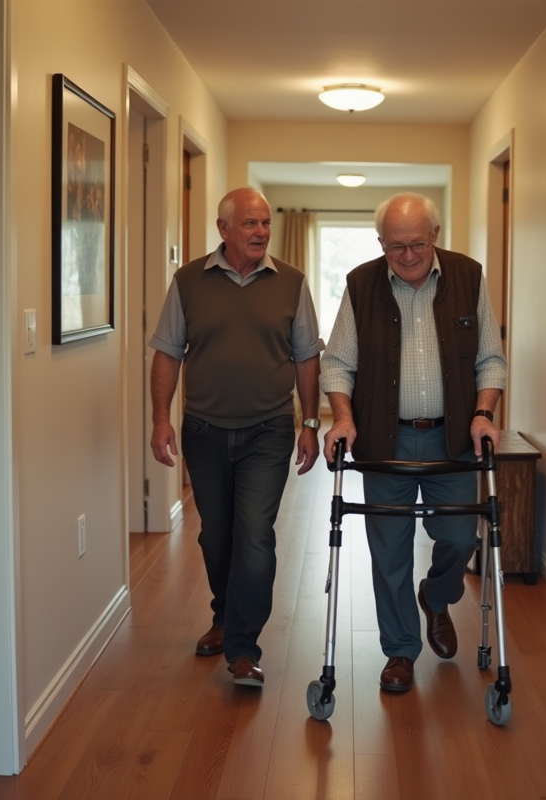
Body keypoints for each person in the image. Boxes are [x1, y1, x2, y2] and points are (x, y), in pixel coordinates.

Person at [320, 192, 507, 692]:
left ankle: (436, 596)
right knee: (389, 552)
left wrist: (484, 413)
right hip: (385, 441)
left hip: (452, 439)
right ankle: (400, 651)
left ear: (436, 237)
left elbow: (490, 358)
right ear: (381, 242)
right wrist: (342, 418)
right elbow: (338, 362)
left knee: (460, 537)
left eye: (416, 244)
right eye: (395, 246)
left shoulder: (467, 278)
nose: (407, 256)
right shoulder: (361, 284)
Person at [149, 187, 323, 688]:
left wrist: (310, 423)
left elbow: (307, 356)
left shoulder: (291, 282)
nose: (262, 232)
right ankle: (224, 617)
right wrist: (161, 420)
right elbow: (167, 352)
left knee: (254, 536)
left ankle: (243, 649)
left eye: (266, 223)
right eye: (250, 223)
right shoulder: (188, 282)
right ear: (223, 228)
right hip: (203, 429)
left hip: (268, 429)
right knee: (215, 534)